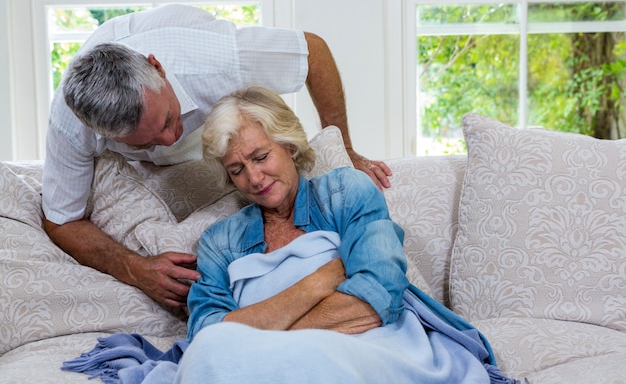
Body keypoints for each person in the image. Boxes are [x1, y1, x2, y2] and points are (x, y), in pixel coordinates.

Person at [42, 3, 392, 309]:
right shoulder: (71, 125)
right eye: (144, 143)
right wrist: (135, 269)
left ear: (158, 68)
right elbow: (61, 218)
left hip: (195, 59)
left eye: (167, 120)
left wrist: (345, 149)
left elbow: (312, 52)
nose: (169, 139)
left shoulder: (216, 61)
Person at [177, 86, 519, 384]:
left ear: (289, 147)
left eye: (261, 157)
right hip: (267, 360)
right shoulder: (220, 241)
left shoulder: (344, 192)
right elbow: (208, 332)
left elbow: (377, 293)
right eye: (237, 170)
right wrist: (317, 282)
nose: (254, 177)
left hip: (369, 343)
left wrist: (262, 339)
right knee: (204, 354)